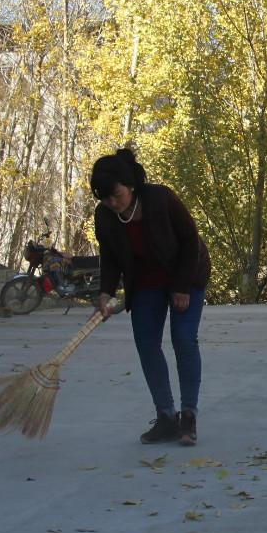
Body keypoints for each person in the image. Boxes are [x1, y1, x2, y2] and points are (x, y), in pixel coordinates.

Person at [90, 148, 212, 446]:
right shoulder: (105, 217)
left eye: (116, 195)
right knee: (146, 344)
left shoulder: (160, 199)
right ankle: (166, 417)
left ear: (129, 184)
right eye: (105, 198)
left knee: (184, 339)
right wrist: (105, 293)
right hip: (145, 284)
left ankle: (188, 416)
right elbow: (110, 257)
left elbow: (190, 240)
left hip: (186, 274)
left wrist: (182, 287)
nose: (112, 203)